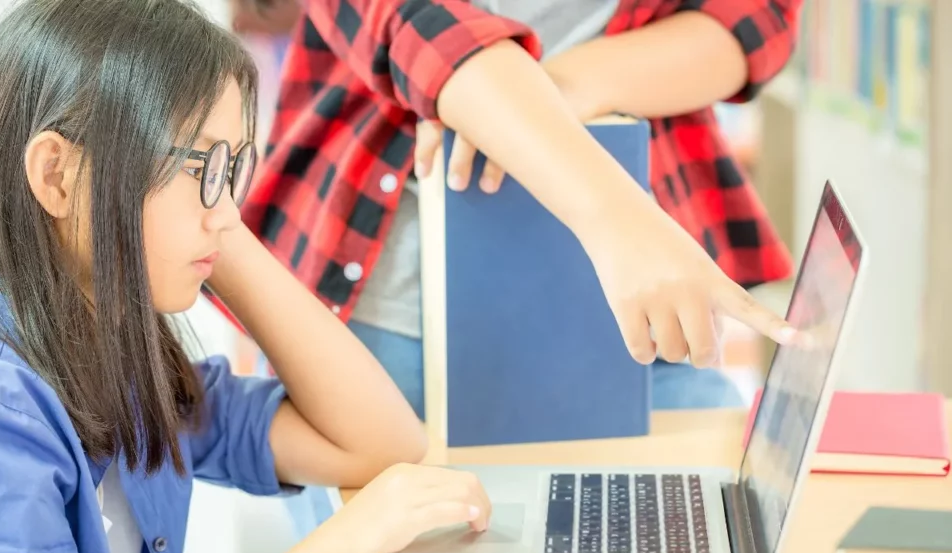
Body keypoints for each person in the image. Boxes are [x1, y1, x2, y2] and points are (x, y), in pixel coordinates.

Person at [0, 1, 499, 553]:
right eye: (199, 166)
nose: (230, 213)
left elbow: (382, 443)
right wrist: (343, 546)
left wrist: (210, 211)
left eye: (233, 168)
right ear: (57, 174)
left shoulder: (115, 351)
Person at [239, 0, 801, 419]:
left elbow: (755, 20)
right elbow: (417, 27)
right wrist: (622, 223)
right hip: (389, 319)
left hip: (637, 317)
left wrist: (547, 91)